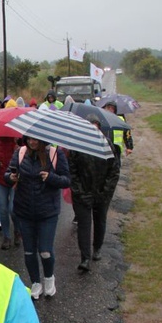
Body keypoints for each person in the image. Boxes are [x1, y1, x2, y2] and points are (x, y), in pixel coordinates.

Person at [5, 137, 71, 299]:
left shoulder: (55, 154)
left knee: (45, 250)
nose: (32, 142)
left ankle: (49, 278)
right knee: (29, 251)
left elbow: (66, 180)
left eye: (35, 139)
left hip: (47, 212)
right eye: (29, 139)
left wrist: (51, 178)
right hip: (24, 210)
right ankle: (35, 282)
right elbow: (8, 173)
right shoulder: (20, 153)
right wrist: (10, 177)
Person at [67, 116, 120, 271]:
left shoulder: (107, 145)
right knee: (84, 224)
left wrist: (105, 192)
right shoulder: (76, 146)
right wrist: (79, 192)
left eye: (95, 126)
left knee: (100, 220)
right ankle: (85, 257)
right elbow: (72, 172)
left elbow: (114, 171)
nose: (92, 129)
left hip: (102, 194)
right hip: (82, 194)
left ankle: (97, 248)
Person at [0, 135, 22, 250]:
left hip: (15, 181)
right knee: (2, 209)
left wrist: (19, 149)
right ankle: (6, 237)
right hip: (0, 180)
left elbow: (27, 160)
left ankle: (17, 231)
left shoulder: (19, 141)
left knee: (13, 210)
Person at [101, 100, 134, 165]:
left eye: (112, 108)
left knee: (115, 167)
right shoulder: (100, 119)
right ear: (104, 108)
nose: (110, 110)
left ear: (115, 110)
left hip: (116, 149)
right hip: (103, 148)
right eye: (108, 108)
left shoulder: (120, 120)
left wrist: (129, 147)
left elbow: (127, 133)